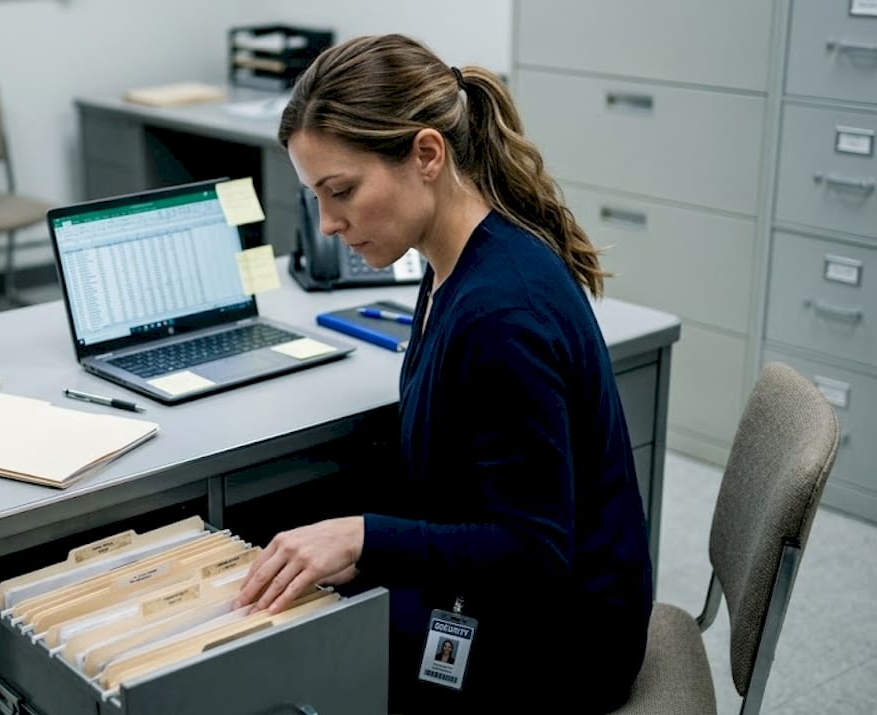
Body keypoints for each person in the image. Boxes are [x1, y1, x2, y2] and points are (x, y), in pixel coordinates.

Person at [234, 33, 652, 712]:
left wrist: (364, 536)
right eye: (316, 197)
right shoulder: (453, 259)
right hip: (516, 597)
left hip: (565, 643)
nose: (328, 223)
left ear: (427, 155)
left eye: (341, 191)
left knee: (290, 664)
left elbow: (534, 553)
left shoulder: (502, 314)